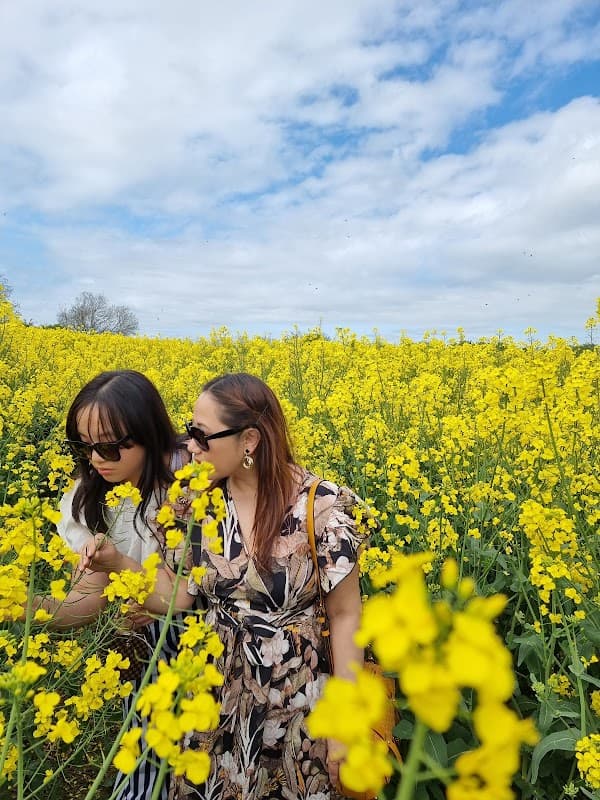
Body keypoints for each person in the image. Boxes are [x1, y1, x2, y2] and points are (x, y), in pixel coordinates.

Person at [165, 372, 371, 800]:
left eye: (201, 436)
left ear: (250, 441)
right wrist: (117, 571)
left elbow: (346, 614)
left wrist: (345, 724)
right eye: (189, 432)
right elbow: (180, 595)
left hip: (298, 706)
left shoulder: (322, 507)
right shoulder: (194, 501)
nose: (190, 446)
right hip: (213, 699)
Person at [42, 369, 188, 800]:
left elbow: (182, 594)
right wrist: (19, 604)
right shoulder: (87, 499)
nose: (95, 459)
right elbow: (83, 604)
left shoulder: (189, 492)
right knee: (145, 773)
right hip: (142, 659)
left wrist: (122, 565)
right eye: (82, 447)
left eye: (108, 446)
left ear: (148, 435)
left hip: (203, 648)